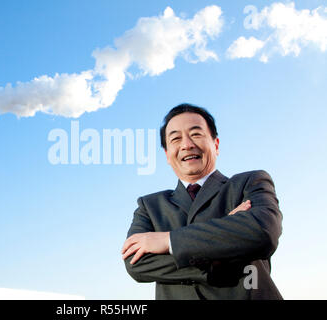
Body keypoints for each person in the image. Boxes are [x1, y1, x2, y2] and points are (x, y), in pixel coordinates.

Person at [121, 103, 283, 300]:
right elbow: (135, 263)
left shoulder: (250, 182)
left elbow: (262, 231)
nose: (186, 144)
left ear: (215, 145)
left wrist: (168, 240)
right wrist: (225, 242)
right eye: (175, 138)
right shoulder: (149, 206)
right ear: (166, 155)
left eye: (196, 134)